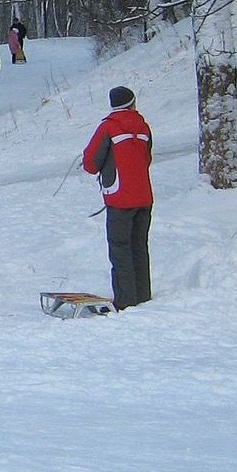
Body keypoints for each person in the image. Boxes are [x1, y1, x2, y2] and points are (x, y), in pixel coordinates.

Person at [82, 87, 154, 309]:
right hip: (144, 196)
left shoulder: (108, 127)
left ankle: (125, 301)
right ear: (132, 104)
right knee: (139, 245)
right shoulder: (143, 127)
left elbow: (91, 163)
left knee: (120, 247)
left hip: (119, 197)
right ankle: (142, 295)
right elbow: (147, 157)